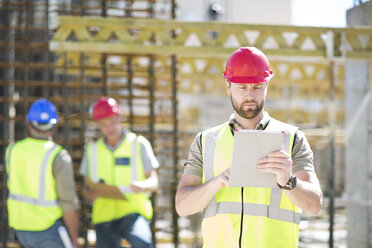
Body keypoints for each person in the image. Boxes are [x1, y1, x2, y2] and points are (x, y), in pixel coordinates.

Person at [175, 47, 323, 248]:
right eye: (242, 88)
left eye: (257, 87)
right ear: (228, 87)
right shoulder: (205, 141)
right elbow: (182, 207)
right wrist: (215, 183)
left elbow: (314, 205)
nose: (250, 95)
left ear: (267, 86)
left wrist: (288, 180)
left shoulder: (292, 138)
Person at [80, 96, 159, 248]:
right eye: (104, 125)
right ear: (98, 125)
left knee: (143, 244)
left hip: (133, 211)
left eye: (113, 122)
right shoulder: (92, 150)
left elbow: (154, 181)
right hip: (104, 215)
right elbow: (85, 186)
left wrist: (143, 185)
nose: (110, 128)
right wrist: (89, 194)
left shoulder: (139, 144)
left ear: (119, 117)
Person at [5, 98, 80, 248]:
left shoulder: (12, 150)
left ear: (28, 124)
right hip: (48, 229)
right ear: (54, 126)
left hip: (21, 229)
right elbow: (68, 203)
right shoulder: (59, 156)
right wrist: (74, 239)